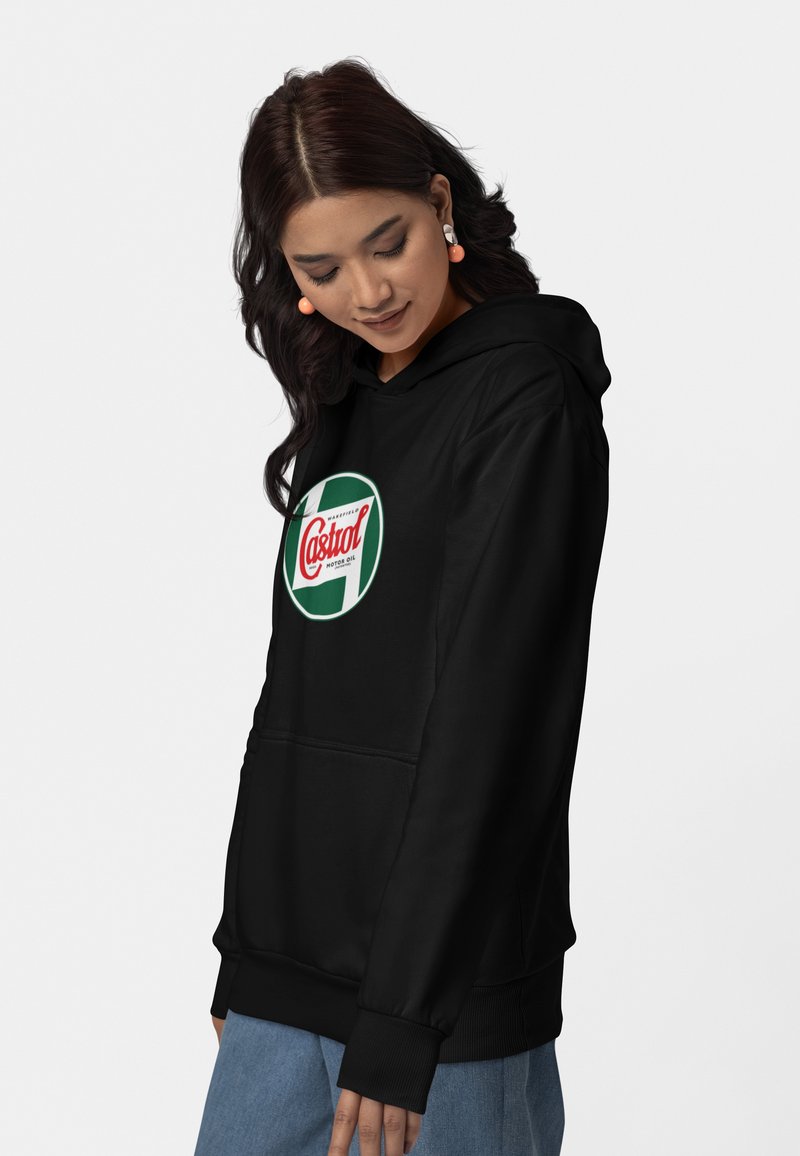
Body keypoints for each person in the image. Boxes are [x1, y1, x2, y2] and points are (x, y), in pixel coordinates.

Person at [193, 56, 611, 1156]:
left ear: (438, 204)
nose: (369, 293)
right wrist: (245, 949)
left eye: (387, 243)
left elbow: (492, 723)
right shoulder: (346, 393)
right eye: (322, 268)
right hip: (288, 978)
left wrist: (403, 1016)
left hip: (441, 1002)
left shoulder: (523, 399)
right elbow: (296, 695)